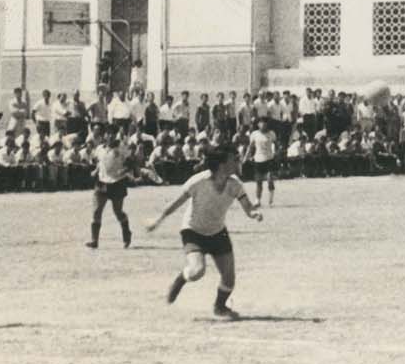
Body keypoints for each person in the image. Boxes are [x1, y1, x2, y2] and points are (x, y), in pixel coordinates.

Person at [147, 148, 262, 319]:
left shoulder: (235, 184)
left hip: (217, 232)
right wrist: (158, 220)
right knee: (197, 271)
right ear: (222, 164)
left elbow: (248, 207)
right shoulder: (199, 181)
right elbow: (176, 203)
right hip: (193, 231)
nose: (237, 162)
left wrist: (254, 214)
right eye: (233, 159)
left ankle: (220, 307)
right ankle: (181, 279)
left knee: (229, 278)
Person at [86, 124, 138, 249]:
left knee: (118, 211)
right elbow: (100, 162)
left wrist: (124, 170)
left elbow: (131, 163)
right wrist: (95, 171)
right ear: (104, 135)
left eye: (113, 134)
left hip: (117, 182)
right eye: (108, 133)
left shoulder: (122, 148)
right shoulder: (100, 148)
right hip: (102, 182)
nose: (110, 136)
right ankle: (94, 240)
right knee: (97, 211)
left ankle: (126, 233)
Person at [243, 118, 280, 207]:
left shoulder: (272, 133)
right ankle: (257, 200)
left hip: (269, 159)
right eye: (261, 123)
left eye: (265, 123)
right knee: (259, 182)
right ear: (258, 124)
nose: (263, 125)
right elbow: (250, 147)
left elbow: (277, 145)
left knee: (270, 179)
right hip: (258, 160)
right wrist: (245, 158)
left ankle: (271, 200)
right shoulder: (254, 134)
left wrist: (276, 153)